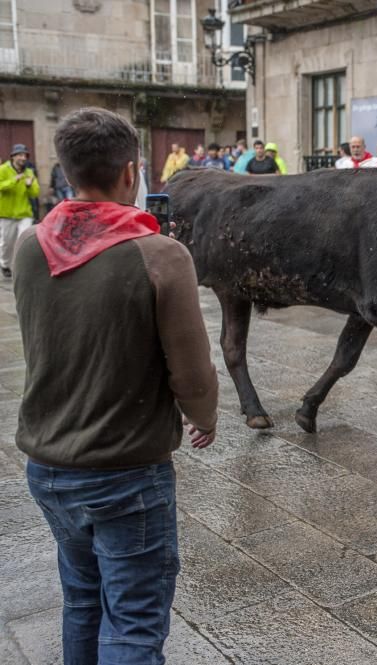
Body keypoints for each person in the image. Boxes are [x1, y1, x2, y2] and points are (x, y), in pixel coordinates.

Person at [14, 107, 218, 665]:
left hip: (49, 467)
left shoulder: (28, 246)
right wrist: (205, 417)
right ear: (131, 173)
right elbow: (193, 375)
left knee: (82, 601)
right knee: (132, 623)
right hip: (126, 470)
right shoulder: (161, 256)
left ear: (65, 168)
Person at [0, 144, 39, 277]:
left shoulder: (29, 172)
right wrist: (13, 181)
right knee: (6, 243)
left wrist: (29, 186)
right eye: (20, 155)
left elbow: (35, 193)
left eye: (25, 155)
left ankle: (20, 266)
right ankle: (5, 264)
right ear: (13, 157)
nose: (23, 158)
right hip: (6, 213)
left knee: (24, 238)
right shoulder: (3, 170)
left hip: (24, 213)